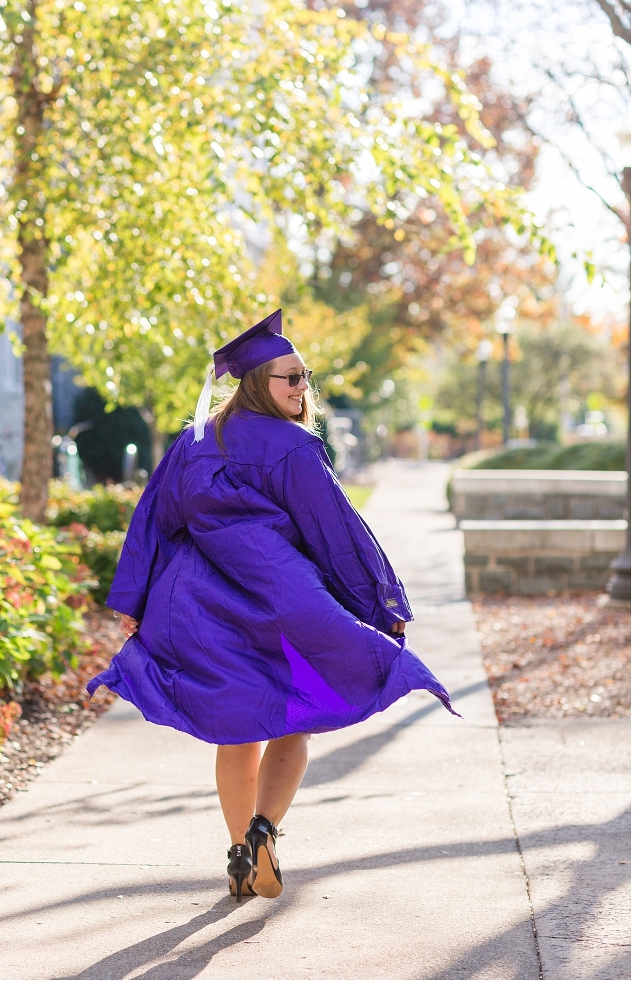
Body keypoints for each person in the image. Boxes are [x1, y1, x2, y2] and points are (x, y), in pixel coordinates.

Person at [88, 309, 457, 903]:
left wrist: (134, 598)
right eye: (290, 377)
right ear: (259, 382)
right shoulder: (292, 446)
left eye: (305, 375)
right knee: (300, 719)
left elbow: (154, 518)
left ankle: (240, 854)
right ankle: (264, 832)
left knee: (238, 733)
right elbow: (334, 530)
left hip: (205, 606)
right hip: (280, 595)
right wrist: (380, 598)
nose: (302, 387)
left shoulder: (196, 441)